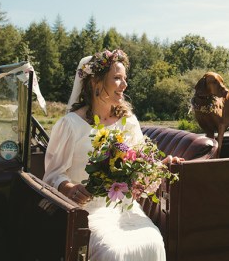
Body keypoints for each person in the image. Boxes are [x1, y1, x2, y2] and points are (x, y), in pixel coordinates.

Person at [43, 49, 172, 261]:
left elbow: (141, 164)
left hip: (125, 209)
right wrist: (69, 187)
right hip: (87, 212)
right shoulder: (70, 125)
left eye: (125, 79)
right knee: (113, 252)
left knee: (153, 240)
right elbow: (52, 175)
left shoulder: (128, 122)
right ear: (96, 82)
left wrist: (159, 167)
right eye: (117, 78)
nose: (125, 85)